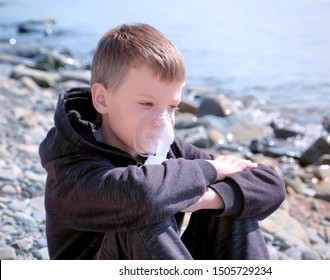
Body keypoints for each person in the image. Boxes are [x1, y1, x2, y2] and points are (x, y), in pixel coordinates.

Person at [38, 23, 286, 260]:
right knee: (143, 212)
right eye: (146, 104)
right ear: (102, 99)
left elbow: (271, 184)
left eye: (172, 107)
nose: (162, 120)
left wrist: (204, 198)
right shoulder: (70, 165)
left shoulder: (166, 149)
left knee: (231, 199)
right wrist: (209, 170)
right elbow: (139, 194)